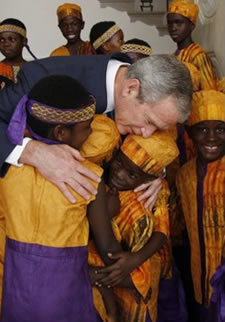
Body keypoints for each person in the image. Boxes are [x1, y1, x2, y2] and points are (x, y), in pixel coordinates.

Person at [0, 75, 128, 321]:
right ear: (61, 132)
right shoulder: (87, 175)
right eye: (87, 127)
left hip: (16, 296)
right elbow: (109, 249)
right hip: (64, 299)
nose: (91, 133)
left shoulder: (8, 170)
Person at [0, 53, 192, 211]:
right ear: (131, 88)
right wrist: (30, 152)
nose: (148, 134)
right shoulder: (42, 77)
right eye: (149, 121)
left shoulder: (142, 81)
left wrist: (154, 172)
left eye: (157, 128)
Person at [85, 124, 179, 322]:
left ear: (151, 178)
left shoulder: (153, 193)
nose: (119, 175)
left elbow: (162, 232)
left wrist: (135, 259)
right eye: (119, 164)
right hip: (109, 277)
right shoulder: (103, 184)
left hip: (138, 274)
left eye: (132, 175)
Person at [176, 90, 225, 322]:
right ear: (189, 133)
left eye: (221, 129)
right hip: (199, 276)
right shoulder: (184, 174)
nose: (212, 137)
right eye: (203, 129)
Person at [167, 0, 217, 90]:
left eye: (178, 23)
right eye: (170, 23)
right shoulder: (173, 56)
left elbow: (209, 92)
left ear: (191, 26)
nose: (173, 28)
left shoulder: (198, 55)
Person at [0, 18, 37, 82]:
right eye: (2, 40)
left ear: (24, 41)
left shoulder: (34, 70)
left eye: (12, 39)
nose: (6, 44)